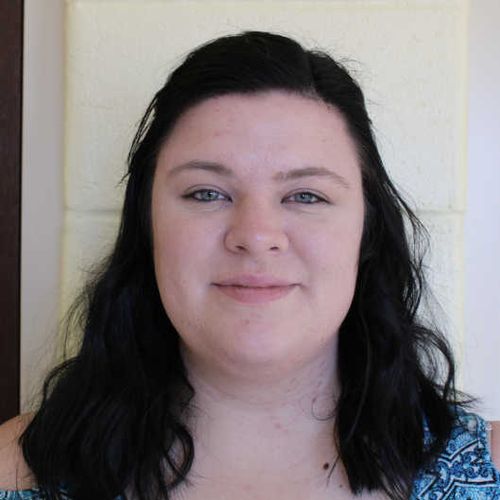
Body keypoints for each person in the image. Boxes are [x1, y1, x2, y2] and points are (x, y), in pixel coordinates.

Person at [0, 30, 499, 500]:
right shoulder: (14, 471)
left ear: (367, 231)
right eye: (206, 193)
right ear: (147, 225)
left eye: (306, 195)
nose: (256, 235)